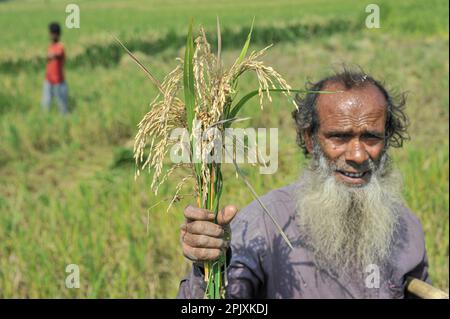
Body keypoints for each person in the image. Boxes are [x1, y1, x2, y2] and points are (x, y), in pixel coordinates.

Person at [177, 70, 431, 299]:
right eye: (339, 137)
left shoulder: (406, 228)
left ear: (386, 139)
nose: (358, 155)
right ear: (310, 139)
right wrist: (206, 268)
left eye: (371, 137)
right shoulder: (265, 224)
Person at [41, 22, 68, 114]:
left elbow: (59, 54)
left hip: (59, 81)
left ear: (57, 34)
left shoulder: (60, 46)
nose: (50, 35)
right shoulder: (50, 46)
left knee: (62, 105)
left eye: (52, 33)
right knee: (46, 102)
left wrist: (52, 56)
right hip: (48, 80)